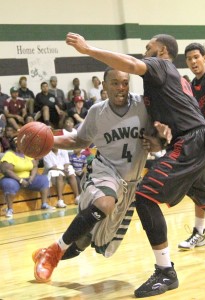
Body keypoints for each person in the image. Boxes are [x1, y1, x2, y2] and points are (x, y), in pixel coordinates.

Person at [63, 33, 205, 298]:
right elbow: (177, 119)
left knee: (144, 197)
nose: (145, 51)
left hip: (192, 141)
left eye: (148, 47)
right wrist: (158, 143)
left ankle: (165, 271)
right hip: (195, 141)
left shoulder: (161, 65)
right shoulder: (165, 81)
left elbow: (129, 64)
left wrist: (88, 49)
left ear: (161, 50)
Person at [32, 67, 172, 287]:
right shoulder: (97, 112)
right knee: (105, 203)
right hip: (104, 171)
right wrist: (48, 141)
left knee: (86, 239)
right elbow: (78, 141)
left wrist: (157, 142)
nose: (121, 88)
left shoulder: (144, 106)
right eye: (115, 83)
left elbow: (161, 137)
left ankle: (47, 254)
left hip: (130, 184)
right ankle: (53, 252)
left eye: (125, 83)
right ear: (104, 86)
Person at [178, 43, 205, 250]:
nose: (193, 62)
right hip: (204, 143)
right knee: (198, 186)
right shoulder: (190, 87)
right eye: (189, 59)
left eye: (196, 57)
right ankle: (199, 233)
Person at [0, 137, 53, 218]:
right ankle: (9, 209)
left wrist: (32, 177)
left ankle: (44, 204)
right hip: (12, 178)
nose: (19, 143)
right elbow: (6, 171)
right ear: (13, 144)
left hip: (28, 178)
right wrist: (20, 180)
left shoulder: (27, 154)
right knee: (9, 184)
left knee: (44, 179)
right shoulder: (9, 155)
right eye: (16, 141)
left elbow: (34, 166)